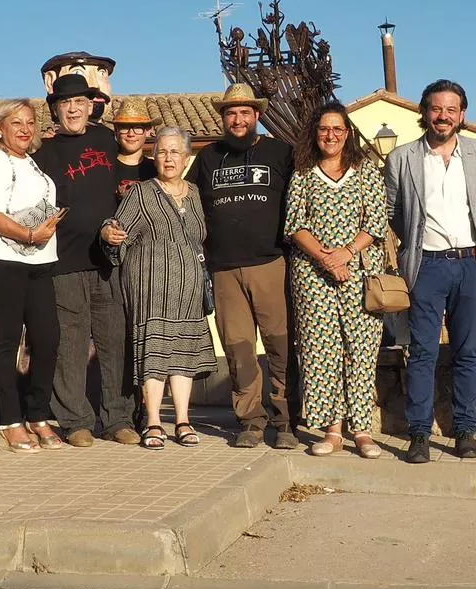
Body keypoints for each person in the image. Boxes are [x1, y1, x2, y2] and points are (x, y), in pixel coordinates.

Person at [384, 79, 476, 464]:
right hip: (426, 265)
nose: (443, 116)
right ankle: (419, 434)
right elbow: (396, 213)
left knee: (468, 351)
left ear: (462, 114)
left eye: (451, 109)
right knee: (422, 352)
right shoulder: (401, 158)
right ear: (424, 113)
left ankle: (465, 430)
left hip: (469, 264)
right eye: (436, 108)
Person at [187, 83, 297, 449]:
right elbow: (184, 198)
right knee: (238, 349)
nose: (238, 119)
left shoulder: (282, 153)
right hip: (223, 269)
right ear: (223, 117)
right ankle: (250, 420)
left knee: (280, 345)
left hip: (271, 263)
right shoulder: (207, 159)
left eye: (245, 112)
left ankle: (284, 422)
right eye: (231, 113)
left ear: (257, 116)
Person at [32, 74, 138, 445]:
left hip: (109, 260)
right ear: (55, 109)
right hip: (62, 261)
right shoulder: (42, 151)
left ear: (92, 105)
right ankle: (76, 421)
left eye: (80, 102)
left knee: (115, 342)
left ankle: (118, 419)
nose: (73, 108)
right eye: (65, 103)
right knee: (71, 346)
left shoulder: (107, 140)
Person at [284, 103, 389, 458]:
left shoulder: (366, 172)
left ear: (348, 134)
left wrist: (344, 253)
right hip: (313, 275)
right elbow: (294, 224)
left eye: (337, 129)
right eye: (324, 129)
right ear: (315, 134)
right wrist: (326, 260)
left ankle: (362, 430)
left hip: (359, 271)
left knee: (360, 349)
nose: (330, 135)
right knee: (320, 350)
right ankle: (332, 430)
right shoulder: (303, 173)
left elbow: (375, 222)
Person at [102, 127, 216, 449]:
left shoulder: (194, 193)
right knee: (154, 355)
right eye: (163, 152)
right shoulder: (140, 193)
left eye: (175, 152)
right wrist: (108, 234)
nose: (168, 158)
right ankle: (153, 421)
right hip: (151, 289)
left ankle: (182, 420)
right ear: (154, 157)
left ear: (186, 158)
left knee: (184, 356)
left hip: (188, 294)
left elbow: (200, 237)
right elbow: (116, 231)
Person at [0, 100, 64, 453]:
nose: (25, 129)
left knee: (47, 337)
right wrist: (28, 235)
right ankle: (9, 421)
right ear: (0, 129)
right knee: (8, 339)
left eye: (30, 123)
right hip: (1, 259)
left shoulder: (33, 163)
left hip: (39, 260)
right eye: (16, 123)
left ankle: (37, 414)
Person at [110, 97, 158, 198]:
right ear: (116, 130)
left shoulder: (156, 169)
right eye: (124, 128)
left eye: (138, 128)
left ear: (148, 131)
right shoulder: (105, 167)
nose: (131, 134)